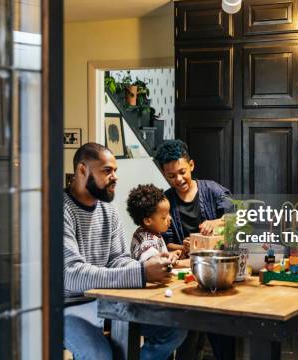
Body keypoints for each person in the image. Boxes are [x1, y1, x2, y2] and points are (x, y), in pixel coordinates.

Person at [63, 142, 187, 360]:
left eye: (115, 171)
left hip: (106, 301)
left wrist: (148, 264)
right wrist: (141, 273)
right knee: (99, 355)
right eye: (107, 170)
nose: (115, 177)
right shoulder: (59, 210)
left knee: (173, 330)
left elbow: (117, 259)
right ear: (82, 170)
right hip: (66, 307)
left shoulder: (108, 212)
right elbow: (71, 275)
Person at [154, 139, 235, 360]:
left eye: (182, 172)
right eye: (171, 176)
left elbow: (237, 217)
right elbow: (165, 241)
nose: (178, 179)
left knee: (221, 335)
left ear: (191, 165)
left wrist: (217, 223)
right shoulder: (166, 200)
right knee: (186, 337)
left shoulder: (212, 189)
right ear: (164, 175)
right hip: (186, 275)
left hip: (217, 275)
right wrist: (183, 246)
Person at [127, 183, 188, 267]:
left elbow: (157, 255)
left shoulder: (146, 232)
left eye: (168, 214)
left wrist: (170, 255)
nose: (170, 218)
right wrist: (183, 263)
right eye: (164, 217)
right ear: (148, 221)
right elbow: (156, 266)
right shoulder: (147, 242)